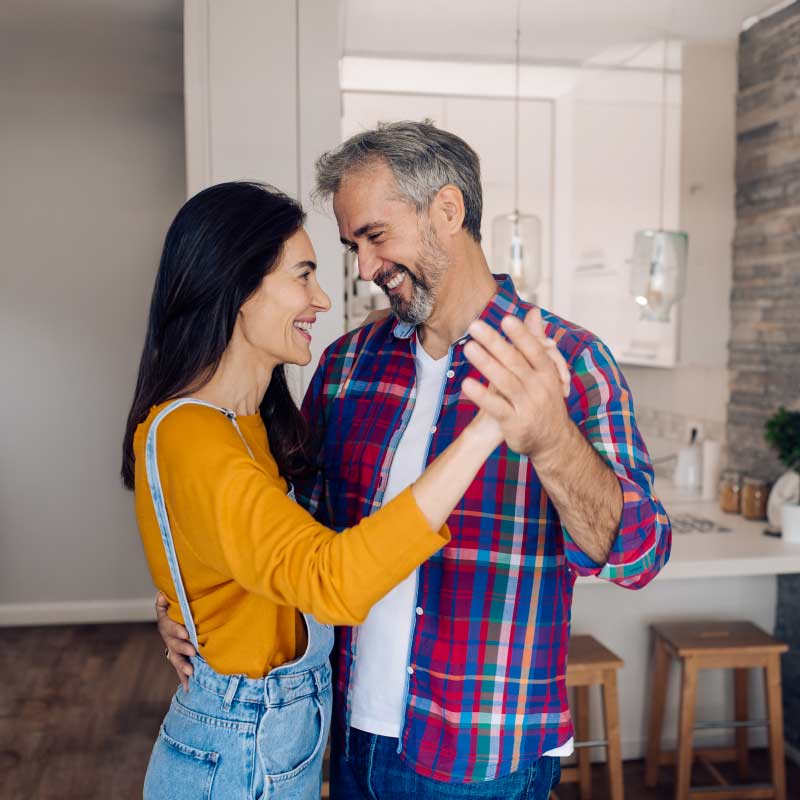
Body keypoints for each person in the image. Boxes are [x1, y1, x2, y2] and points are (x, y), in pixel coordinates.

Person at [160, 123, 672, 800]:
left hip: (484, 751)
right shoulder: (347, 366)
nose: (364, 269)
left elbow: (639, 555)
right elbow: (286, 542)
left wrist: (552, 439)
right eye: (352, 248)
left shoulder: (570, 363)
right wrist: (187, 603)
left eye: (375, 237)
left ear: (448, 211)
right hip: (340, 736)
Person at [123, 180, 534, 800]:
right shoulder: (191, 435)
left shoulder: (254, 425)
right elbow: (330, 579)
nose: (320, 298)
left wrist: (191, 605)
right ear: (237, 287)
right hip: (238, 753)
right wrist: (484, 430)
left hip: (277, 738)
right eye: (303, 276)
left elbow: (249, 559)